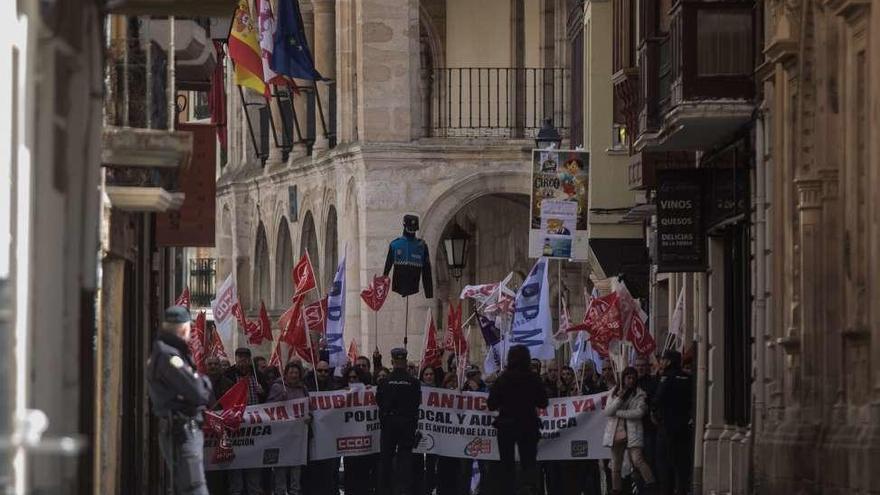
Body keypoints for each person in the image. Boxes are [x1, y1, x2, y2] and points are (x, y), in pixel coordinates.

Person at [146, 305, 212, 495]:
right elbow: (200, 392)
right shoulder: (169, 357)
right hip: (182, 431)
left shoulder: (166, 353)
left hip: (180, 429)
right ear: (184, 329)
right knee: (195, 488)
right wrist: (203, 381)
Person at [487, 345, 549, 495]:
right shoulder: (533, 378)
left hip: (506, 426)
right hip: (528, 425)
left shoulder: (503, 379)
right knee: (529, 464)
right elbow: (543, 402)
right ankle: (528, 490)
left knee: (506, 465)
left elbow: (491, 404)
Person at [603, 367, 657, 495]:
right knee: (616, 464)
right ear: (623, 378)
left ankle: (651, 485)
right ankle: (616, 490)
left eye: (633, 378)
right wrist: (619, 399)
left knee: (637, 460)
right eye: (628, 378)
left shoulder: (639, 393)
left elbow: (639, 412)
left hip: (633, 431)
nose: (631, 381)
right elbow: (608, 412)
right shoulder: (614, 392)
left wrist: (620, 413)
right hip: (617, 432)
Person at [376, 348, 422, 495]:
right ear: (406, 361)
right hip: (407, 424)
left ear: (392, 361)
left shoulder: (384, 381)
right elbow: (416, 403)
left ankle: (385, 490)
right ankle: (402, 491)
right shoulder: (414, 382)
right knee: (405, 460)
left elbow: (379, 402)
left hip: (389, 423)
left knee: (386, 460)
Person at [652, 350, 694, 495]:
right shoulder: (687, 378)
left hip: (667, 428)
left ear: (669, 361)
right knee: (681, 467)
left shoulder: (666, 378)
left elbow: (657, 400)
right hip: (683, 427)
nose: (661, 362)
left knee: (665, 467)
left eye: (663, 359)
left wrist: (655, 414)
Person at [228, 347, 267, 495]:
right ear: (236, 359)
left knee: (254, 463)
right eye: (240, 359)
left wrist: (263, 392)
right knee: (236, 465)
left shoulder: (257, 375)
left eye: (245, 359)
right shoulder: (229, 375)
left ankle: (254, 490)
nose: (242, 362)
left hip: (255, 425)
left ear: (249, 360)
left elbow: (268, 397)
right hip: (236, 427)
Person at [268, 362, 309, 495]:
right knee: (281, 468)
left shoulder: (303, 388)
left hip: (298, 436)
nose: (294, 375)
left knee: (296, 469)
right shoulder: (278, 387)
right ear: (286, 374)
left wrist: (310, 417)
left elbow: (310, 407)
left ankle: (294, 492)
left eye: (296, 373)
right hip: (281, 436)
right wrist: (280, 398)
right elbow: (268, 408)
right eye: (291, 373)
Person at [305, 361, 341, 495]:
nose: (323, 373)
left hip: (329, 438)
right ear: (315, 371)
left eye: (326, 371)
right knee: (312, 472)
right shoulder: (305, 387)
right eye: (320, 371)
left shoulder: (335, 386)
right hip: (311, 437)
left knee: (329, 473)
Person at [343, 365, 376, 495]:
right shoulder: (342, 393)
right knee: (350, 478)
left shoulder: (369, 391)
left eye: (355, 377)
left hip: (364, 445)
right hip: (349, 446)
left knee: (363, 478)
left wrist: (370, 392)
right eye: (350, 377)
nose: (352, 380)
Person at [436, 374, 465, 495]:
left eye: (455, 382)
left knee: (456, 470)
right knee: (443, 469)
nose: (452, 384)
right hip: (443, 442)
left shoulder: (463, 397)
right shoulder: (439, 396)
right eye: (450, 382)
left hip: (457, 442)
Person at [413, 367, 439, 495]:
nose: (429, 376)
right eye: (426, 374)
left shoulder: (440, 391)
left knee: (431, 465)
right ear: (422, 376)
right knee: (417, 463)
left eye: (431, 374)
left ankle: (428, 489)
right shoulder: (416, 391)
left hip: (434, 434)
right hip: (418, 433)